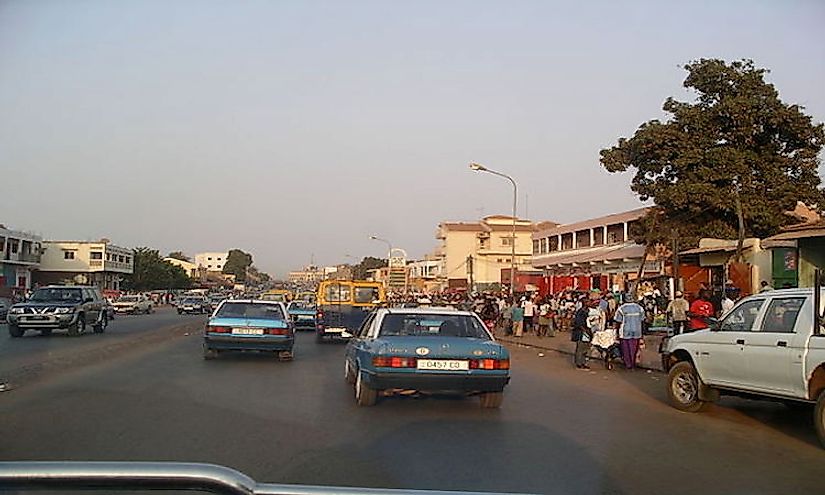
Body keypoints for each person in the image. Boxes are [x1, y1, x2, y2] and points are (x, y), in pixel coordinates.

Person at [614, 294, 645, 370]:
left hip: (625, 331)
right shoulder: (639, 308)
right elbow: (643, 320)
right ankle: (633, 362)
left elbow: (618, 321)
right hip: (637, 331)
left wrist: (617, 332)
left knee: (626, 349)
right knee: (634, 348)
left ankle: (628, 364)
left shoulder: (621, 309)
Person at [571, 299, 593, 369]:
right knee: (580, 348)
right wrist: (586, 331)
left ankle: (583, 362)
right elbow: (579, 323)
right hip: (581, 332)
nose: (590, 303)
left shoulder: (588, 311)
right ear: (585, 303)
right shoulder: (580, 312)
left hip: (587, 331)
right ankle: (579, 363)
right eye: (589, 302)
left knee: (586, 349)